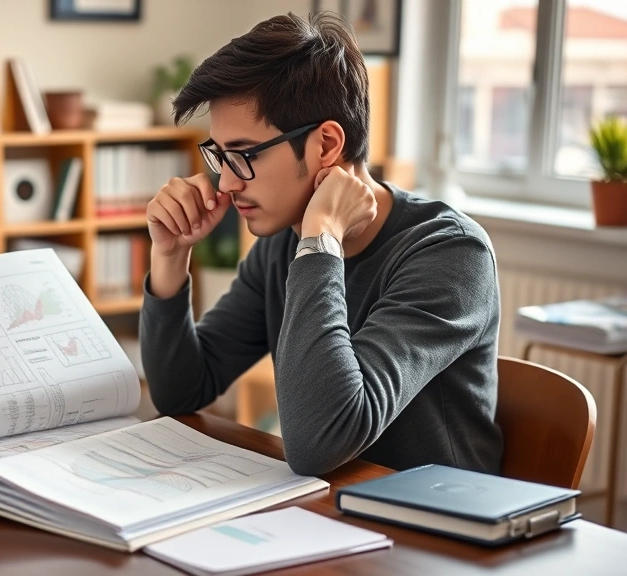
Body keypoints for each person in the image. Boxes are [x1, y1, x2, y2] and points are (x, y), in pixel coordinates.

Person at [140, 12, 503, 477]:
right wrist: (170, 258)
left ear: (327, 144)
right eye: (220, 156)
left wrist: (322, 239)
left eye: (244, 156)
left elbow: (320, 442)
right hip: (334, 513)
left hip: (437, 534)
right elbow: (181, 392)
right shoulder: (284, 242)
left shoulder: (451, 255)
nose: (227, 182)